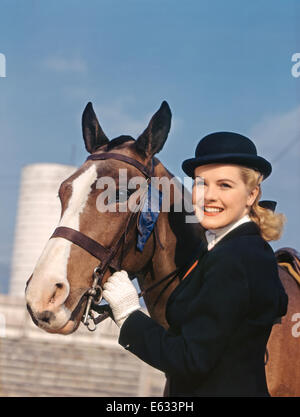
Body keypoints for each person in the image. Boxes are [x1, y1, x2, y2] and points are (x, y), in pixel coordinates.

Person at [102, 131, 288, 397]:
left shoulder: (235, 259)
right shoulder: (237, 250)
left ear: (251, 194)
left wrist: (129, 314)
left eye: (224, 185)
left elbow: (190, 360)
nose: (209, 196)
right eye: (201, 184)